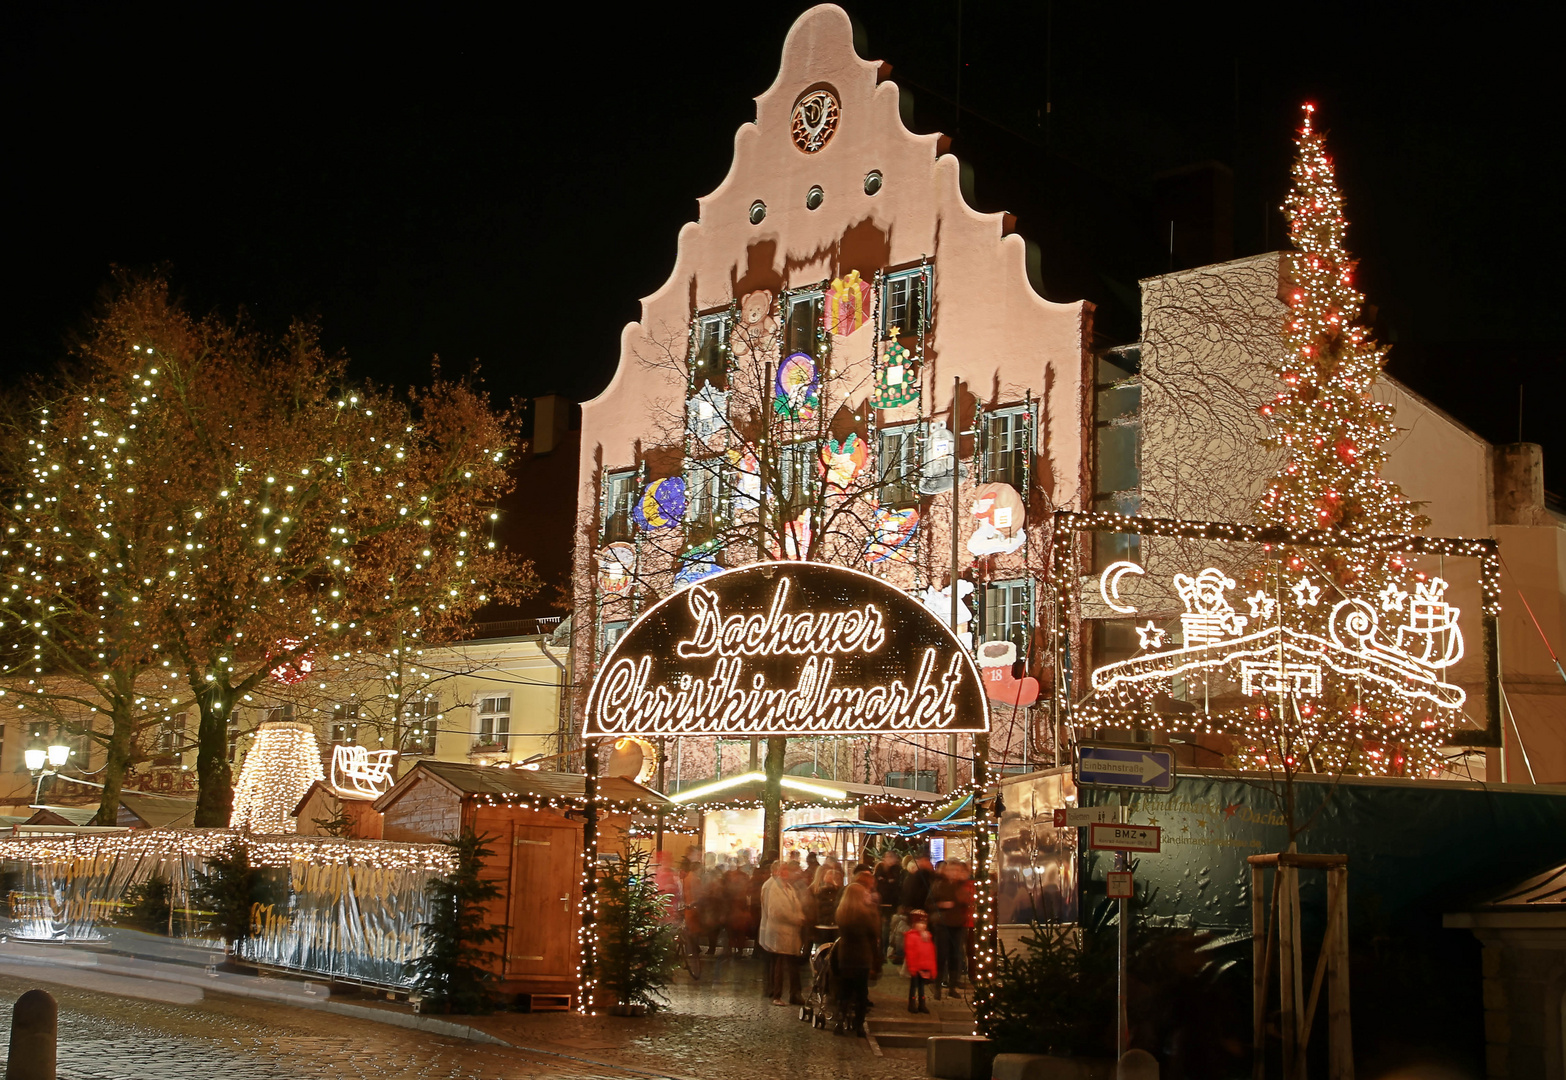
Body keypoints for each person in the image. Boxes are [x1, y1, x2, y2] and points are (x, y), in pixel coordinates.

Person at [831, 882, 881, 1036]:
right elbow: (874, 932)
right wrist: (872, 908)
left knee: (845, 989)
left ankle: (840, 1021)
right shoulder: (865, 914)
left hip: (845, 955)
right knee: (860, 991)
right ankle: (858, 1025)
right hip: (862, 956)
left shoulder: (842, 912)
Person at [759, 860, 805, 1005]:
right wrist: (795, 918)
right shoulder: (772, 887)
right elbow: (776, 911)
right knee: (778, 963)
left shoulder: (788, 887)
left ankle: (794, 993)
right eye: (784, 870)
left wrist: (800, 915)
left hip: (790, 933)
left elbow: (795, 905)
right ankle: (776, 994)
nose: (787, 873)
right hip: (779, 931)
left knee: (791, 964)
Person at [927, 861, 970, 996]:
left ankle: (952, 987)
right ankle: (938, 986)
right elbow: (929, 904)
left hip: (958, 924)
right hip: (943, 924)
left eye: (957, 870)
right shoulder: (939, 885)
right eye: (951, 870)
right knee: (942, 955)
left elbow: (967, 902)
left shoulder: (961, 886)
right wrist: (941, 905)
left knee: (955, 956)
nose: (954, 873)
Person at [873, 850, 905, 963]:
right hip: (881, 903)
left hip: (892, 903)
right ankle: (882, 952)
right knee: (884, 929)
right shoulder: (879, 870)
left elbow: (896, 887)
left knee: (889, 929)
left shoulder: (897, 870)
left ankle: (886, 951)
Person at [903, 909, 936, 1014]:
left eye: (924, 923)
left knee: (922, 988)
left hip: (924, 968)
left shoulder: (927, 937)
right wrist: (912, 967)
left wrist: (933, 969)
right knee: (914, 987)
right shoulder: (911, 936)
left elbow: (931, 954)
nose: (922, 925)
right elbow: (910, 953)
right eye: (919, 923)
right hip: (916, 968)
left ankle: (922, 1004)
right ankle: (911, 1004)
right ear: (914, 924)